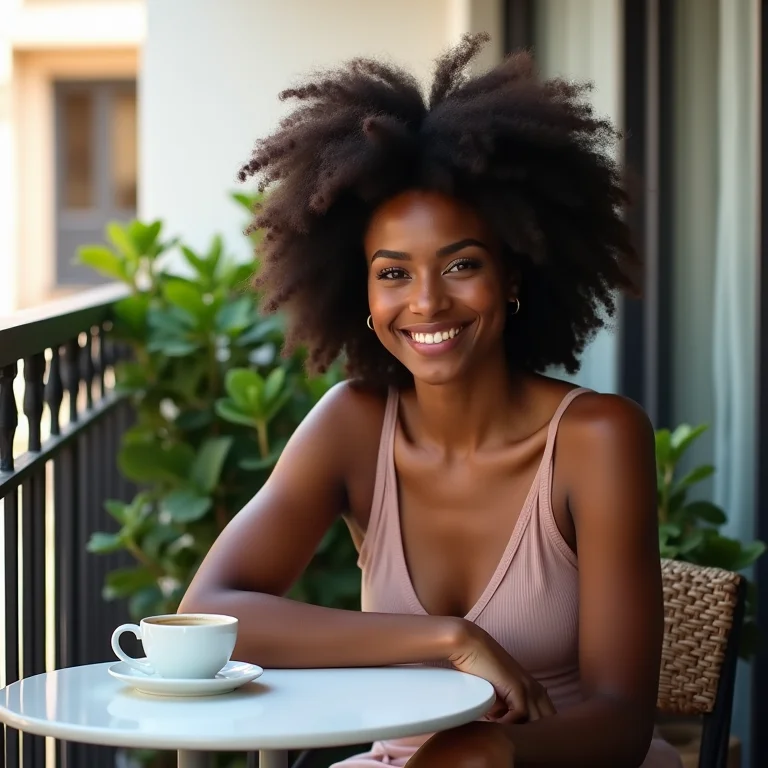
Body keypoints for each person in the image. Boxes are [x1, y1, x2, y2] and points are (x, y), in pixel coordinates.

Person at [179, 34, 682, 768]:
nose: (426, 303)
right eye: (393, 274)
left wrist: (486, 750)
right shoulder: (354, 425)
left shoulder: (596, 438)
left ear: (513, 273)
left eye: (462, 264)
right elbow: (209, 613)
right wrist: (449, 636)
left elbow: (619, 723)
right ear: (360, 292)